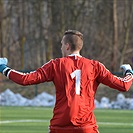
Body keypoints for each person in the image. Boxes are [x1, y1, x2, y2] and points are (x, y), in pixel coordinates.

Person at [0, 30, 133, 133]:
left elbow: (25, 79)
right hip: (85, 127)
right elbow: (124, 85)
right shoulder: (95, 66)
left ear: (67, 46)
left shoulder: (56, 64)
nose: (61, 47)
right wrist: (129, 72)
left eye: (62, 44)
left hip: (60, 126)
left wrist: (3, 68)